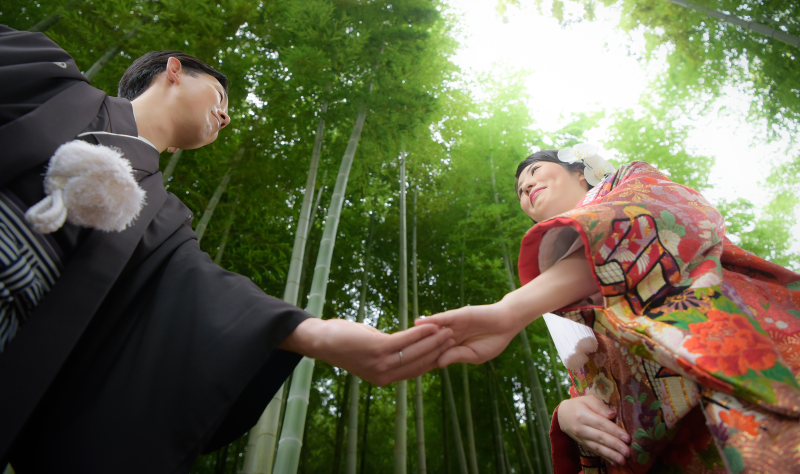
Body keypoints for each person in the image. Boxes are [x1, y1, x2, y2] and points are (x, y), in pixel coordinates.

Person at [0, 25, 454, 473]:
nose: (227, 116)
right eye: (220, 97)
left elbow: (198, 294)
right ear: (173, 71)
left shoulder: (164, 219)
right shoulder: (47, 74)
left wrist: (314, 334)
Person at [417, 147, 800, 473]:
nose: (527, 186)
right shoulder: (551, 299)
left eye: (534, 172)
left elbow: (661, 224)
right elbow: (590, 376)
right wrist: (568, 414)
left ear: (580, 172)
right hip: (664, 447)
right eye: (520, 189)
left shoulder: (633, 182)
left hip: (740, 356)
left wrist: (509, 311)